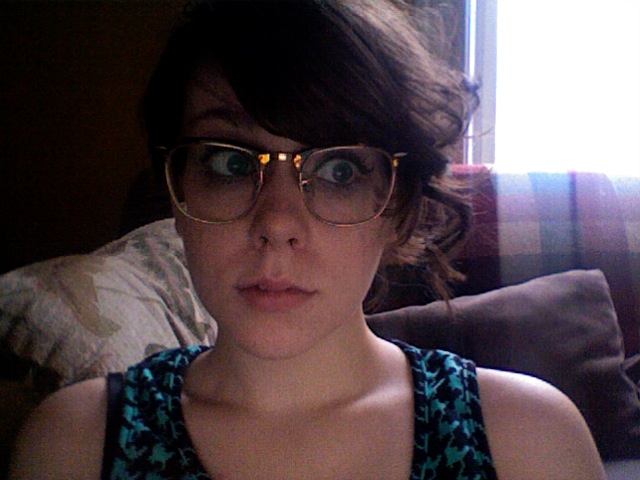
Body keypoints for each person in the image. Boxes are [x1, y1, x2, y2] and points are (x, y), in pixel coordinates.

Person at [10, 1, 605, 479]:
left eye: (339, 170)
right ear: (177, 193)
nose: (277, 223)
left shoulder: (529, 443)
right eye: (229, 163)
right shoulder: (74, 446)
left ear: (398, 209)